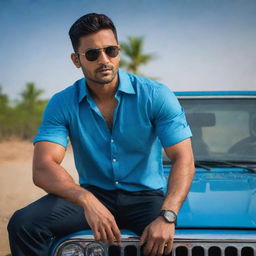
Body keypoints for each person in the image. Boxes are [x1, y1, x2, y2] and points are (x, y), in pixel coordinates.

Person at [7, 13, 195, 256]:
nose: (104, 60)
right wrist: (87, 200)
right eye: (93, 54)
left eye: (111, 50)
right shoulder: (62, 103)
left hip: (146, 197)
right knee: (24, 224)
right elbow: (43, 168)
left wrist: (167, 216)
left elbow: (184, 158)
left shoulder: (155, 95)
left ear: (119, 50)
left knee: (167, 242)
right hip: (94, 193)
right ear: (76, 60)